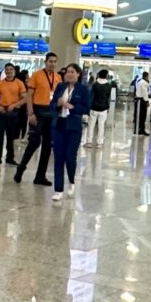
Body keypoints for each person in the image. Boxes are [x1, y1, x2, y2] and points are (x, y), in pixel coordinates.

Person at [14, 52, 61, 186]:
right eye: (50, 61)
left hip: (51, 113)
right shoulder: (37, 75)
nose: (52, 64)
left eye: (54, 61)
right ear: (45, 62)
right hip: (38, 111)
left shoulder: (58, 78)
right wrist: (30, 113)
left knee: (47, 146)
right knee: (34, 142)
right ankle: (21, 168)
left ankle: (40, 175)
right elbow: (29, 95)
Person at [50, 63, 90, 202]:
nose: (69, 74)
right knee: (58, 157)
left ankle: (71, 180)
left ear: (78, 74)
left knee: (70, 156)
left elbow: (86, 108)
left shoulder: (83, 89)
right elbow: (52, 104)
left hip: (73, 126)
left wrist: (72, 107)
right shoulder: (60, 87)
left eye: (72, 72)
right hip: (59, 125)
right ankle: (58, 189)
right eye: (67, 72)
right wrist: (58, 104)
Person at [0, 63, 26, 168]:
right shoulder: (0, 83)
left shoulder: (19, 83)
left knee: (11, 137)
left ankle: (10, 158)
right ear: (4, 71)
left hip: (13, 112)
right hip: (2, 112)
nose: (9, 71)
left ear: (14, 71)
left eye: (11, 69)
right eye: (7, 70)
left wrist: (15, 105)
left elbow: (24, 98)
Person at [85, 69, 112, 147]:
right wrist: (108, 107)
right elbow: (108, 97)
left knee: (91, 125)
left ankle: (89, 141)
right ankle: (99, 143)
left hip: (93, 107)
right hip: (103, 108)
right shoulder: (108, 85)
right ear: (106, 75)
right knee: (101, 125)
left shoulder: (95, 84)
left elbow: (91, 96)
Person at [134, 72, 151, 136]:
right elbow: (145, 93)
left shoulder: (139, 82)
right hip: (142, 101)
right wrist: (147, 101)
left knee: (138, 115)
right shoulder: (144, 83)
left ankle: (137, 129)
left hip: (138, 100)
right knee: (142, 116)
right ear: (146, 76)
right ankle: (141, 130)